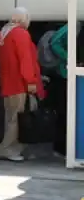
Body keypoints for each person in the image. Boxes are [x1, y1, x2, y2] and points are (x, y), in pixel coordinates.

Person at [0, 7, 45, 162]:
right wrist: (31, 82)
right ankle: (7, 149)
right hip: (19, 83)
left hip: (8, 82)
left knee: (11, 117)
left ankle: (14, 147)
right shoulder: (21, 34)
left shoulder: (4, 33)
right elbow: (26, 60)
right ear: (23, 19)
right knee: (15, 118)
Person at [47, 22, 82, 156]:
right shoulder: (76, 24)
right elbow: (54, 42)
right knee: (65, 112)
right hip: (65, 76)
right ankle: (61, 148)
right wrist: (70, 58)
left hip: (71, 76)